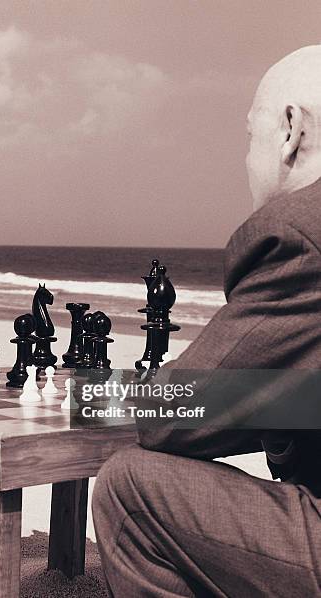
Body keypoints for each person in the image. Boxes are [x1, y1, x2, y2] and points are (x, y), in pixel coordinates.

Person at [92, 45, 321, 596]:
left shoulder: (298, 232)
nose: (246, 157)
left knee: (128, 483)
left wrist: (91, 398)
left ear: (290, 130)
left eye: (250, 135)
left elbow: (173, 417)